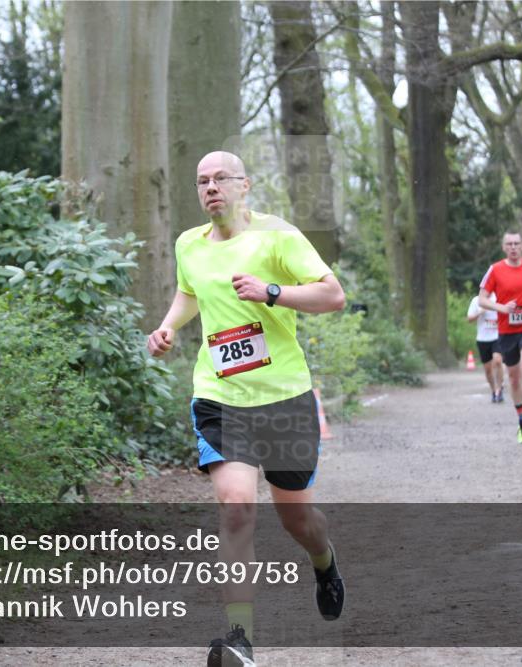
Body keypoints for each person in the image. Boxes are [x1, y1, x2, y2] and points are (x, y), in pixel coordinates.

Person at [147, 151, 346, 667]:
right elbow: (190, 291)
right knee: (236, 507)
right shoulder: (188, 243)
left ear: (244, 185)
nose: (210, 187)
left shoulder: (279, 236)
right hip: (221, 396)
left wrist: (271, 292)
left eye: (220, 179)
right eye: (201, 181)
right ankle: (240, 638)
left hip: (283, 397)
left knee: (297, 519)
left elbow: (333, 295)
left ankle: (323, 563)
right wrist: (170, 326)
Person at [478, 232, 522, 444]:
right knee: (514, 377)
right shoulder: (495, 270)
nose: (513, 247)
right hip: (506, 329)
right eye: (509, 244)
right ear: (504, 247)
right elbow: (482, 299)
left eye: (517, 243)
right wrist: (501, 308)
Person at [467, 292, 505, 402]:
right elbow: (469, 319)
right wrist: (480, 312)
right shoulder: (476, 300)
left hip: (498, 336)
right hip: (483, 339)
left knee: (498, 361)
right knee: (488, 369)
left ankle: (500, 388)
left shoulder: (499, 298)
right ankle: (494, 390)